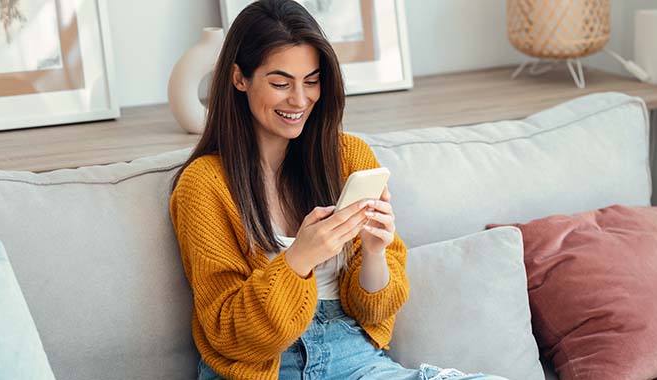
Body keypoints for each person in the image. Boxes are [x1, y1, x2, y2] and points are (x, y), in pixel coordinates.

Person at [169, 1, 510, 379]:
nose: (299, 99)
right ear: (239, 78)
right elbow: (229, 334)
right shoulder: (204, 185)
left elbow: (376, 311)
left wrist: (376, 252)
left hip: (352, 356)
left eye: (311, 81)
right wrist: (300, 257)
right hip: (264, 366)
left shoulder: (349, 157)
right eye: (280, 83)